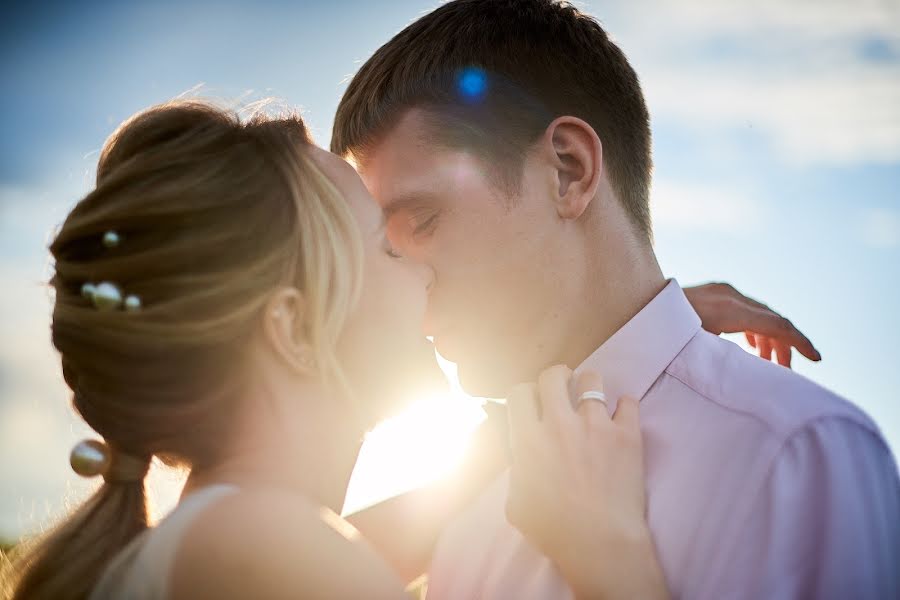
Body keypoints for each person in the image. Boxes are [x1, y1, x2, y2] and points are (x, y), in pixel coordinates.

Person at [330, 0, 900, 598]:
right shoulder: (468, 510)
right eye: (390, 251)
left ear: (568, 171)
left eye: (422, 220)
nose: (409, 284)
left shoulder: (795, 454)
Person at [1, 100, 672, 600]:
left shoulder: (231, 538)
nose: (425, 270)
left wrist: (632, 324)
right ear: (294, 329)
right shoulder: (260, 546)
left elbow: (391, 532)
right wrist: (612, 560)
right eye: (386, 247)